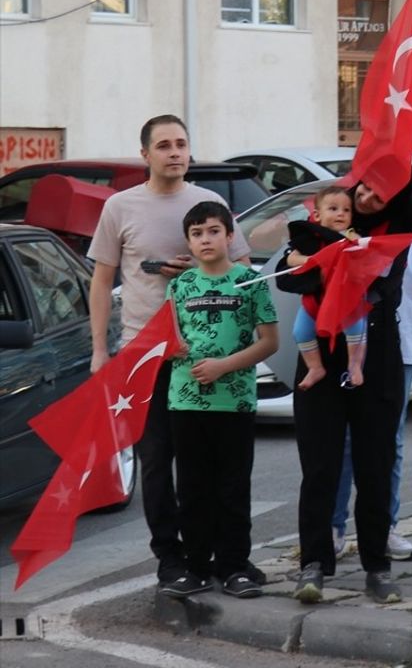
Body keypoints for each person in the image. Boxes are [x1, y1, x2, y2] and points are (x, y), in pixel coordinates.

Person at [283, 118, 412, 605]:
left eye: (383, 193)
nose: (371, 198)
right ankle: (314, 563)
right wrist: (304, 262)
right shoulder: (319, 229)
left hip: (377, 353)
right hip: (323, 349)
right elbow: (288, 278)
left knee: (375, 464)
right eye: (366, 189)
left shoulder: (396, 231)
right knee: (320, 465)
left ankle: (377, 565)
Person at [88, 115, 255, 587]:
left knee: (213, 466)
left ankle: (225, 557)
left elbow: (242, 272)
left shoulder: (210, 203)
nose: (175, 152)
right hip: (145, 354)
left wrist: (203, 265)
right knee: (157, 461)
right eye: (164, 145)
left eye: (182, 144)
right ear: (145, 155)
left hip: (206, 358)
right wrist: (101, 350)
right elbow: (101, 282)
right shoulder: (120, 207)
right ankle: (171, 557)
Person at [159, 202, 279, 598]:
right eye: (197, 234)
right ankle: (195, 566)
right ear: (189, 243)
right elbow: (168, 337)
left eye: (213, 231)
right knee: (192, 488)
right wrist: (168, 348)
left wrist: (224, 366)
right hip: (186, 401)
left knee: (232, 487)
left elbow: (269, 342)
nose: (205, 239)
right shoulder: (180, 286)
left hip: (235, 402)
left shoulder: (250, 281)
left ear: (230, 236)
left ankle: (233, 567)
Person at [332, 226, 412, 561]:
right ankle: (334, 527)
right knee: (346, 439)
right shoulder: (359, 230)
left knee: (390, 441)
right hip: (353, 344)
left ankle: (385, 527)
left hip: (401, 350)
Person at [286, 185, 368, 390]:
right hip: (316, 299)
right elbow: (291, 259)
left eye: (346, 210)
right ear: (317, 215)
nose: (340, 213)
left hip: (346, 298)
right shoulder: (309, 238)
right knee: (300, 331)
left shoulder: (351, 237)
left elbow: (363, 256)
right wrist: (313, 260)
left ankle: (355, 364)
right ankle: (315, 367)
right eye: (333, 209)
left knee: (355, 327)